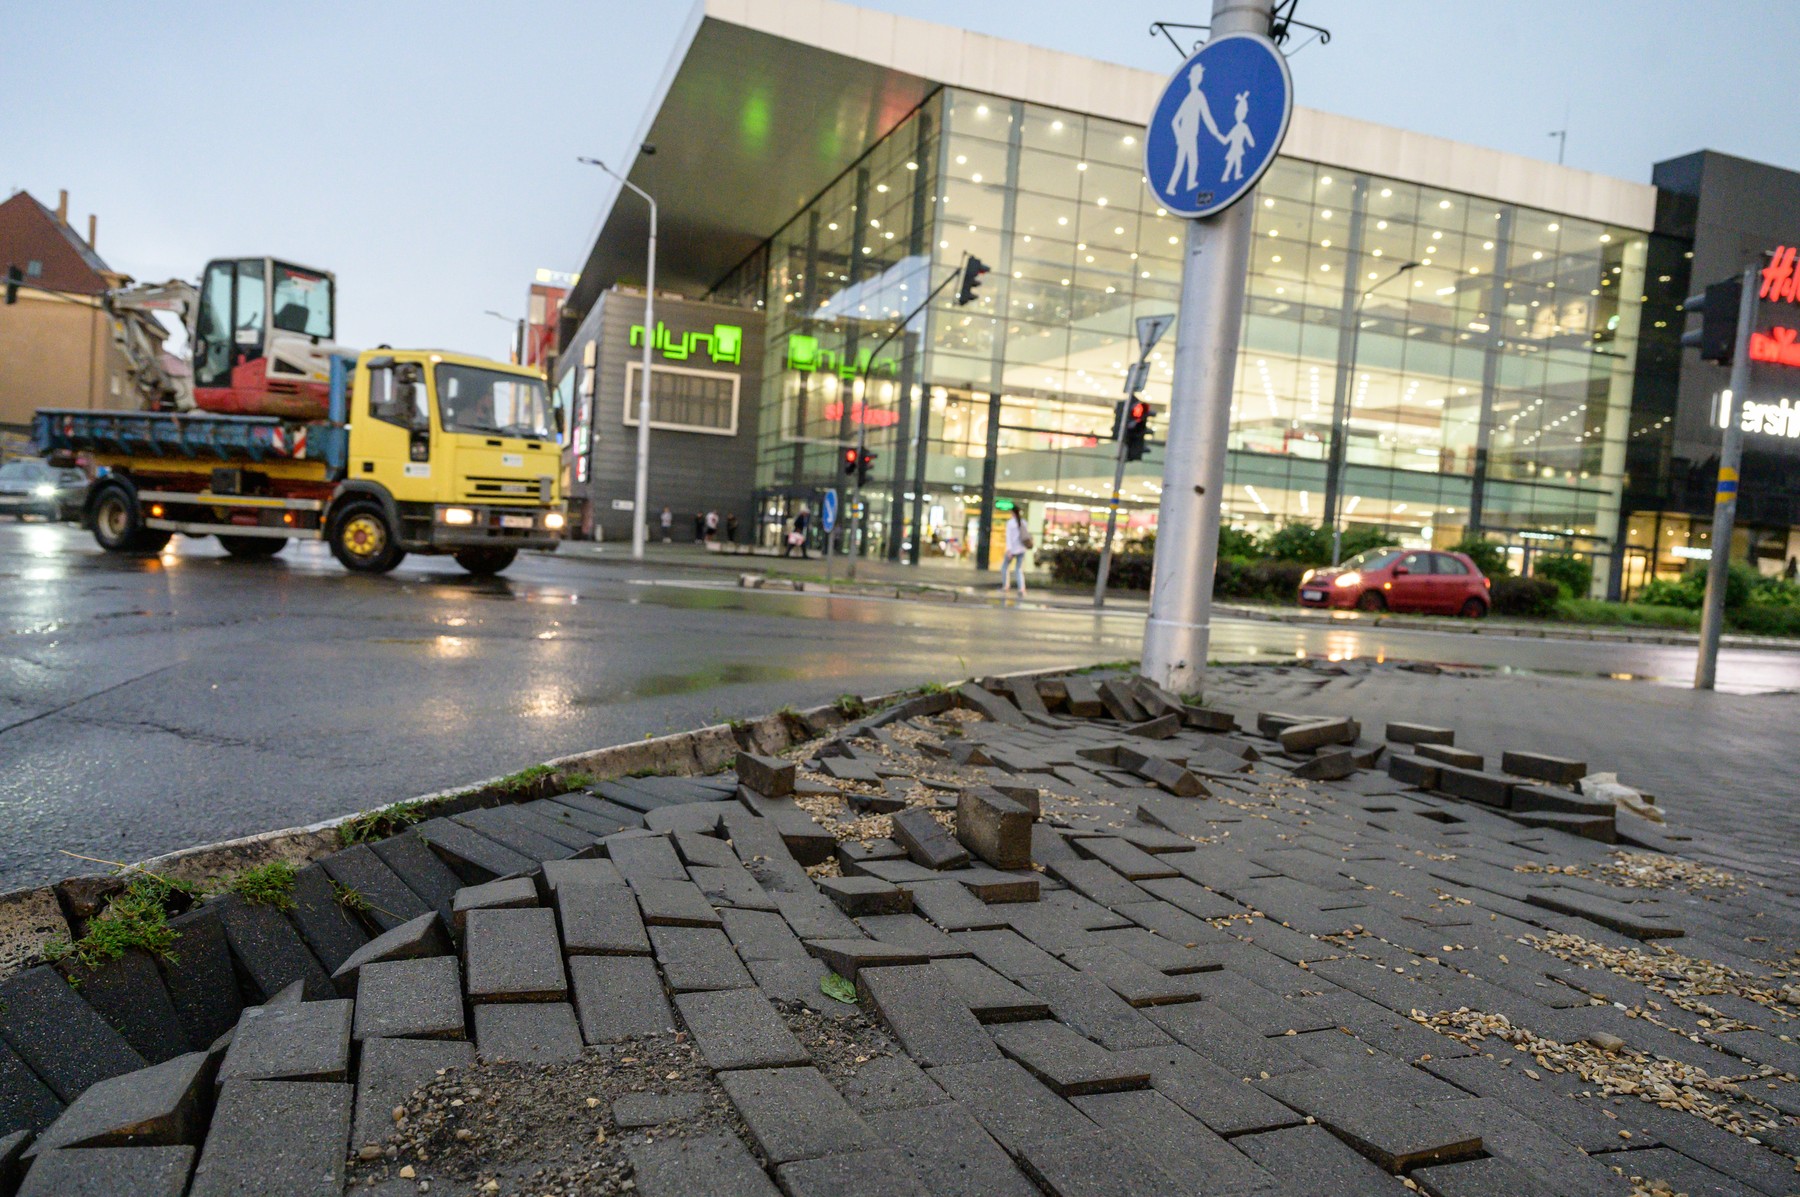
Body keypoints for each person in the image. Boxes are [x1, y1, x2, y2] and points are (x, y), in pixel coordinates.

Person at [1001, 507, 1032, 598]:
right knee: (1018, 569)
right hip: (1022, 549)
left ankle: (1006, 586)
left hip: (1012, 550)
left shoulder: (1010, 523)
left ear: (1012, 513)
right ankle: (1021, 588)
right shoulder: (1024, 522)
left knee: (1004, 567)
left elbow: (1008, 538)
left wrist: (1009, 550)